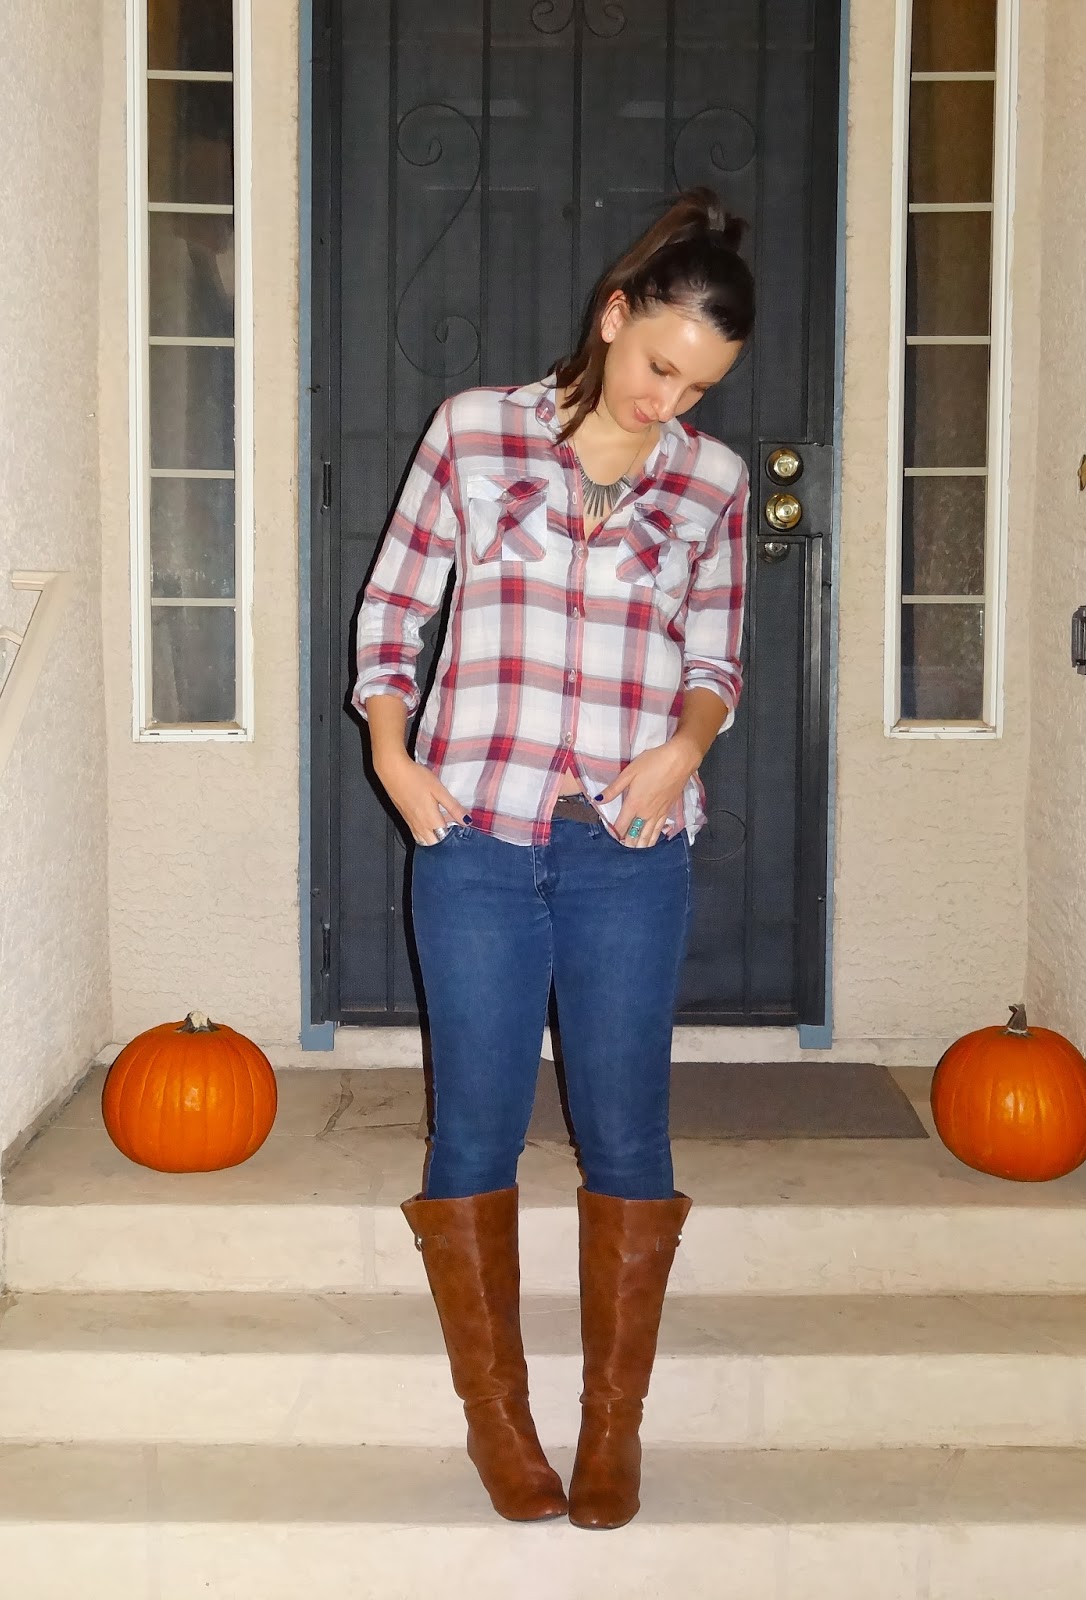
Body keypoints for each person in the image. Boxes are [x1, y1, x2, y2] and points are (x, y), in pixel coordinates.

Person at [351, 186, 754, 1530]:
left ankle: (612, 1429)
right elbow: (398, 605)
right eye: (658, 368)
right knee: (472, 1124)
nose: (667, 405)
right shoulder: (474, 432)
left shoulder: (713, 483)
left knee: (625, 1128)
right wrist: (397, 758)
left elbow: (716, 656)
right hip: (470, 839)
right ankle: (500, 1422)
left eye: (697, 390)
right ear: (614, 316)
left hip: (626, 854)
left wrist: (684, 751)